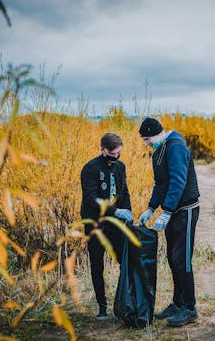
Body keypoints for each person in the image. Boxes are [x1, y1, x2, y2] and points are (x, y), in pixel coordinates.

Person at [137, 117, 200, 327]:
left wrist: (168, 211)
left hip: (186, 210)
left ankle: (190, 308)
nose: (147, 143)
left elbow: (178, 180)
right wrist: (151, 208)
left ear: (157, 133)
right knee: (172, 258)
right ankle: (178, 302)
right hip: (173, 212)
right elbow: (160, 183)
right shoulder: (159, 151)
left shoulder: (175, 147)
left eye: (147, 138)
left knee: (183, 259)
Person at [81, 132, 134, 320]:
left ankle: (125, 301)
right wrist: (115, 211)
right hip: (95, 224)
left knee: (125, 261)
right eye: (112, 154)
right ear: (102, 149)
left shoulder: (120, 167)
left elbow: (124, 192)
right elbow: (90, 199)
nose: (116, 156)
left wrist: (128, 212)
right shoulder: (90, 169)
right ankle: (102, 306)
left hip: (115, 225)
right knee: (97, 265)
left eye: (119, 153)